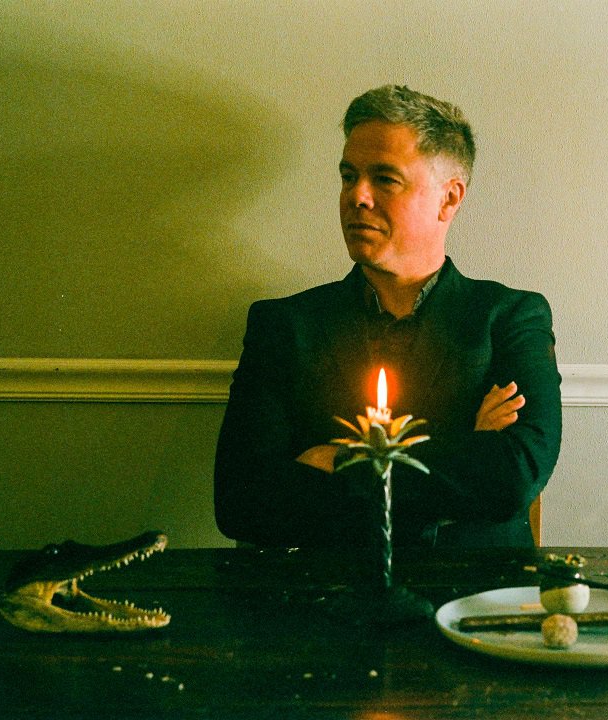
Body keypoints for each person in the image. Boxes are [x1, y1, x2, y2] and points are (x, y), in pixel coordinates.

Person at [214, 85, 561, 548]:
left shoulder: (511, 319)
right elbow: (242, 502)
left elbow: (512, 478)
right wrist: (468, 448)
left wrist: (338, 462)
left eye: (385, 179)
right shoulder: (283, 325)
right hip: (326, 601)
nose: (357, 196)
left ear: (449, 198)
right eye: (348, 175)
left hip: (475, 601)